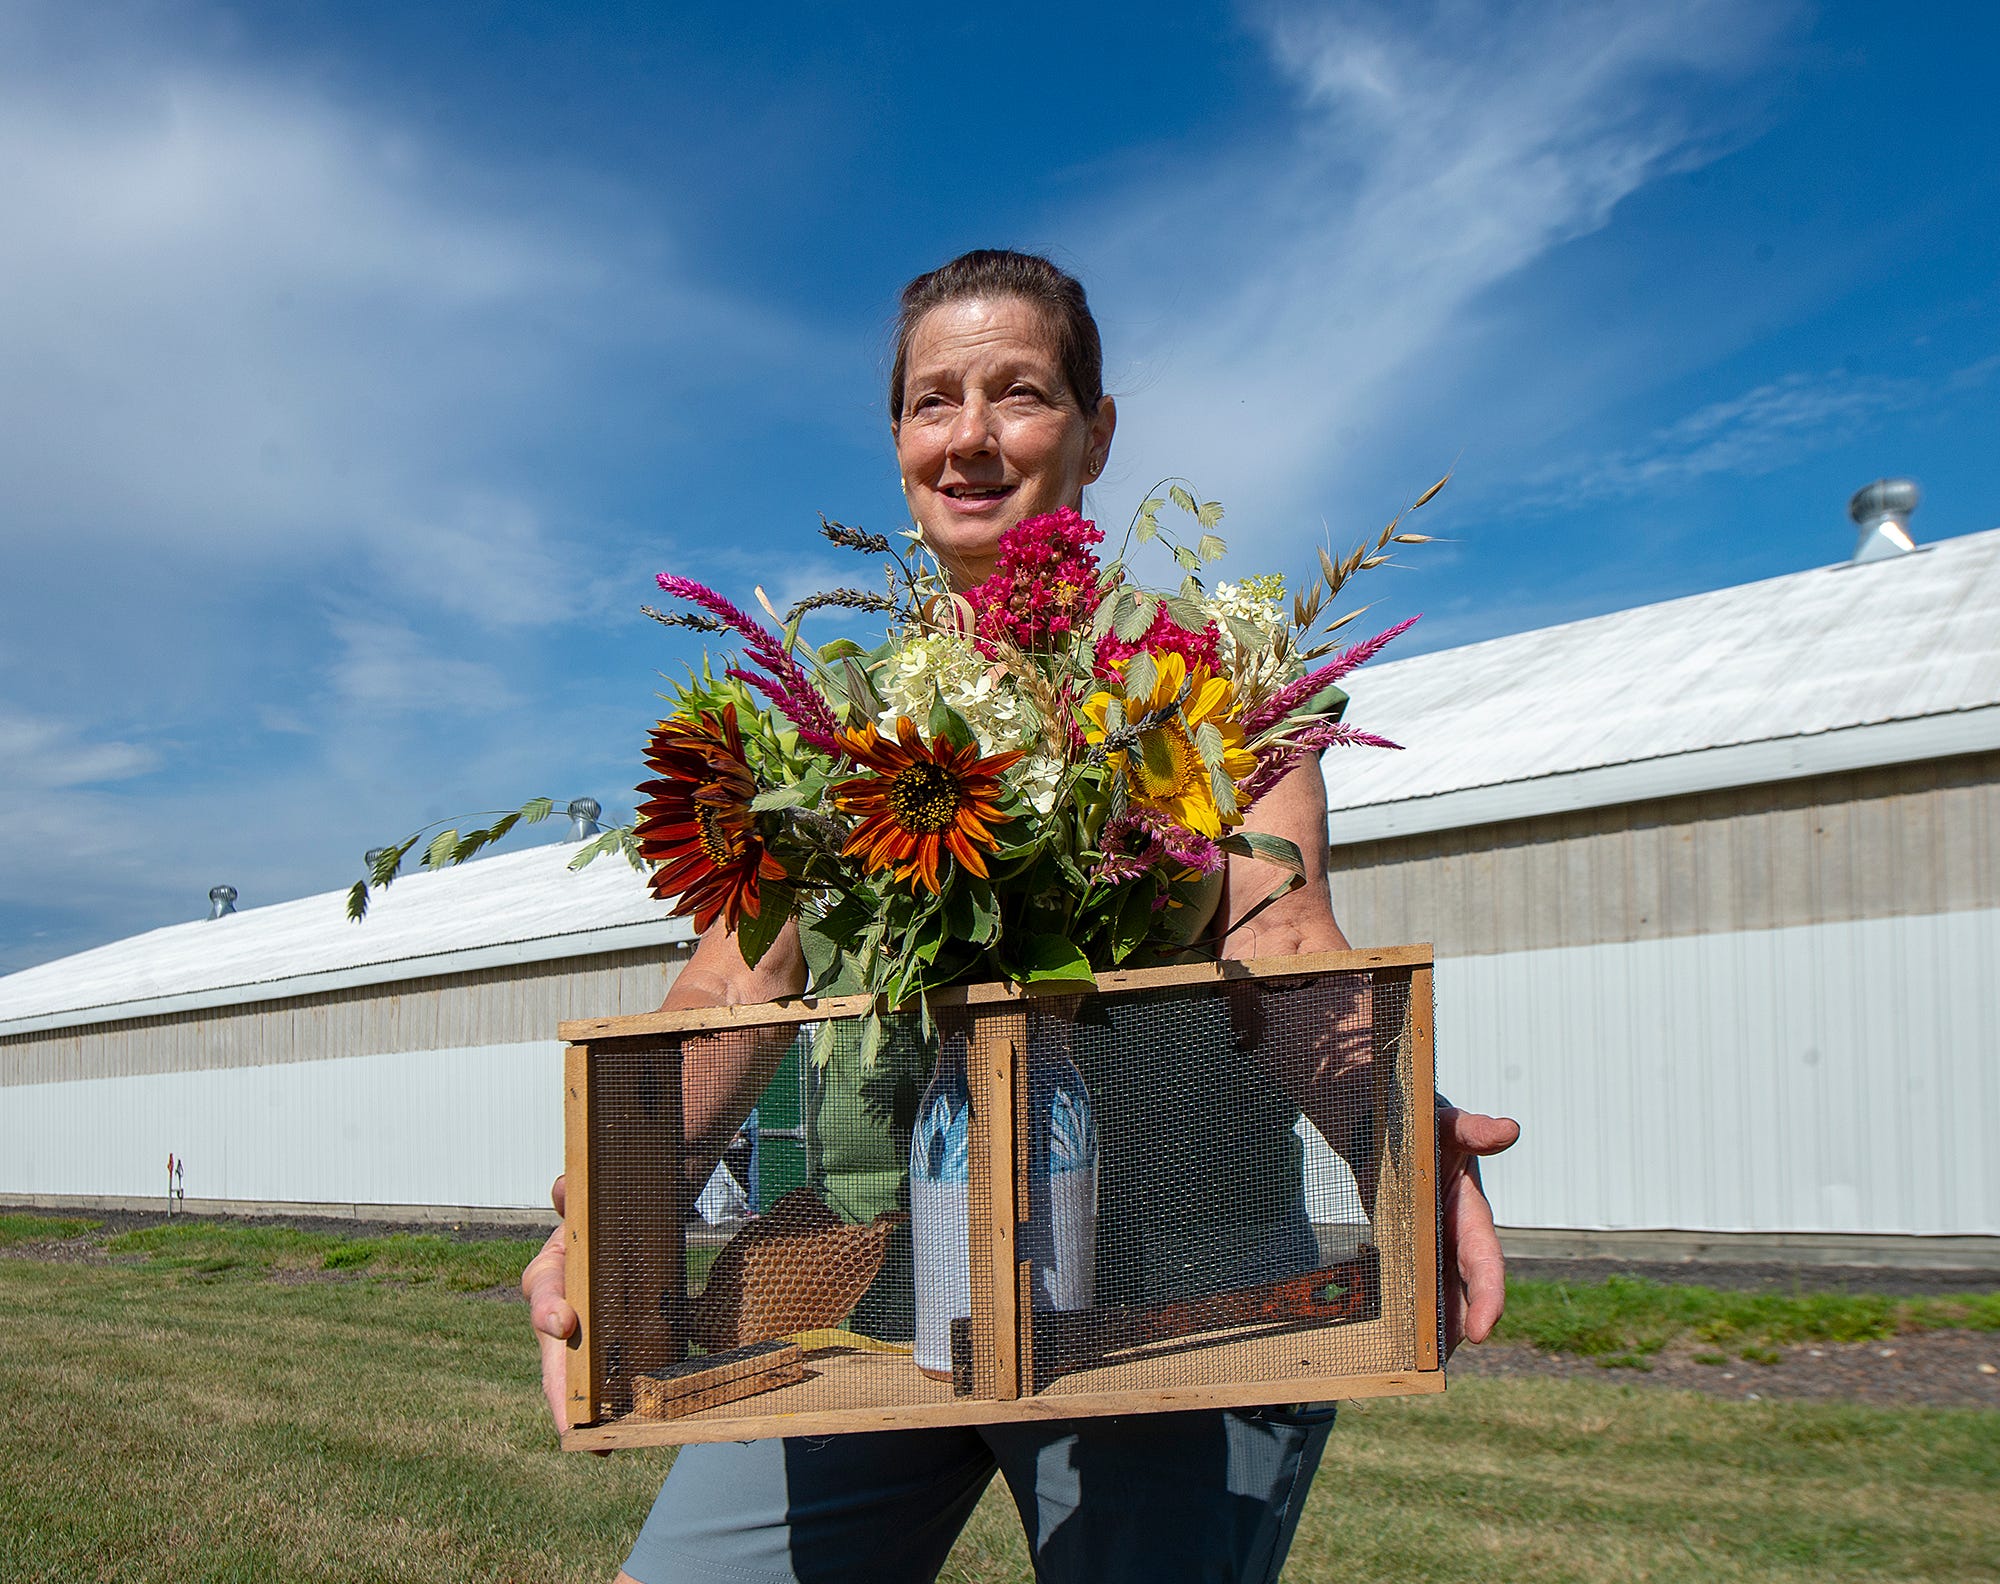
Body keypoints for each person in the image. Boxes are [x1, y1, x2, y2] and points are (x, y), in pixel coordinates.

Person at [522, 249, 1522, 1584]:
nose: (972, 437)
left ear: (1098, 432)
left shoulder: (1214, 682)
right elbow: (728, 991)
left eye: (1022, 395)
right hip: (879, 1293)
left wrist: (1396, 1132)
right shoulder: (829, 721)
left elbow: (1279, 941)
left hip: (1175, 1305)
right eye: (936, 401)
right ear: (896, 443)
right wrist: (611, 1199)